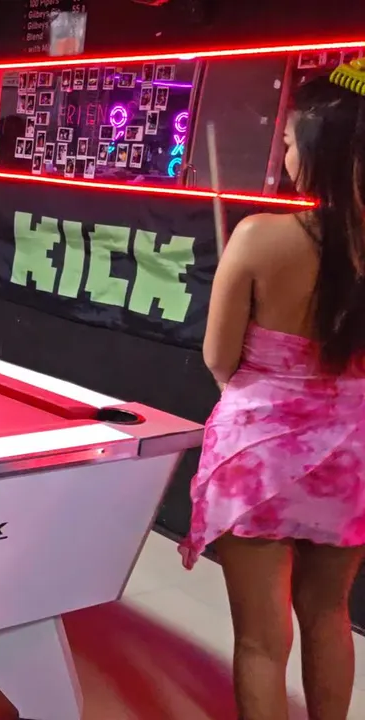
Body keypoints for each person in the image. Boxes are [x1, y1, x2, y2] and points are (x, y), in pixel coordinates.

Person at [180, 70, 365, 720]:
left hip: (258, 453)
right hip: (352, 457)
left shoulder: (259, 237)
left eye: (287, 141)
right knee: (328, 613)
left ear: (317, 147)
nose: (284, 155)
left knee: (261, 640)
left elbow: (218, 357)